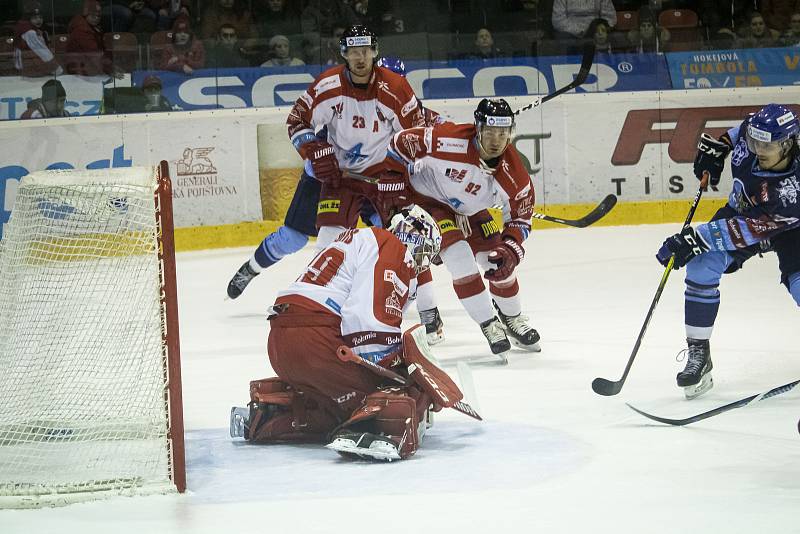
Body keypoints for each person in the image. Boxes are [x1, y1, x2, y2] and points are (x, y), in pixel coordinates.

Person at [226, 33, 446, 343]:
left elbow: (426, 142)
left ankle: (428, 313)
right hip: (332, 177)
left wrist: (405, 177)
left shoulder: (401, 99)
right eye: (355, 53)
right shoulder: (332, 87)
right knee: (295, 238)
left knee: (406, 239)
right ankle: (255, 270)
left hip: (377, 181)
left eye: (366, 54)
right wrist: (314, 149)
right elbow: (298, 122)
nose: (362, 60)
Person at [229, 206, 466, 461]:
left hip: (281, 343)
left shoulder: (357, 240)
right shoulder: (392, 246)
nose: (423, 262)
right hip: (316, 341)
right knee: (396, 395)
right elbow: (368, 319)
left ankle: (270, 415)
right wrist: (397, 370)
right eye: (427, 251)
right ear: (416, 237)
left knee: (333, 403)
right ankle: (367, 430)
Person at [375, 98, 540, 357]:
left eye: (502, 133)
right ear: (477, 128)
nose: (496, 141)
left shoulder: (514, 173)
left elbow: (521, 219)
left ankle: (513, 318)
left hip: (469, 210)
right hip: (427, 201)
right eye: (489, 133)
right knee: (459, 257)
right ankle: (489, 323)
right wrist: (392, 177)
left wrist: (511, 247)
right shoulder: (449, 140)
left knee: (497, 261)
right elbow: (400, 142)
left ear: (511, 133)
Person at [655, 104, 800, 399]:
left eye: (766, 145)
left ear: (787, 144)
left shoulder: (790, 192)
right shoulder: (756, 133)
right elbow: (743, 130)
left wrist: (694, 238)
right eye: (755, 142)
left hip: (790, 228)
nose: (758, 149)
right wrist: (721, 147)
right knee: (701, 265)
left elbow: (745, 230)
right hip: (743, 211)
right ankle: (699, 352)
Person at [65, 0, 123, 77]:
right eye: (93, 15)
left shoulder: (93, 27)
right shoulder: (81, 30)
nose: (96, 18)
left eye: (98, 16)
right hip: (79, 73)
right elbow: (94, 54)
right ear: (86, 15)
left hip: (90, 68)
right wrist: (110, 69)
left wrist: (112, 66)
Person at [13, 1, 63, 77]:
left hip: (30, 65)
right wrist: (56, 68)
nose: (39, 20)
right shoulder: (29, 32)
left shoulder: (33, 29)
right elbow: (41, 51)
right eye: (35, 18)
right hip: (28, 66)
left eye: (40, 17)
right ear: (28, 18)